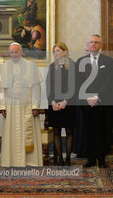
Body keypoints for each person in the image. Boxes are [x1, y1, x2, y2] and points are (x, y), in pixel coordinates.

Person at [0, 42, 43, 167]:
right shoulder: (4, 67)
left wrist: (35, 106)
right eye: (11, 52)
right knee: (11, 135)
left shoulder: (31, 66)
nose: (14, 55)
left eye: (16, 52)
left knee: (28, 134)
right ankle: (11, 161)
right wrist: (2, 106)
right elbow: (1, 89)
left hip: (27, 105)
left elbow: (36, 88)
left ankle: (30, 162)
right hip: (10, 106)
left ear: (22, 52)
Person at [76, 34, 113, 168]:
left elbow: (108, 82)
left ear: (100, 45)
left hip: (102, 103)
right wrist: (87, 97)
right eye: (91, 42)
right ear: (88, 45)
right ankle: (91, 159)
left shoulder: (108, 61)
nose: (93, 44)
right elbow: (78, 82)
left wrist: (97, 97)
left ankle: (102, 159)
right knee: (89, 132)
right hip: (86, 103)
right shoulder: (81, 61)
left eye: (96, 42)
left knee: (102, 131)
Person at [46, 42, 76, 166]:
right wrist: (53, 102)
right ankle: (61, 160)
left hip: (69, 103)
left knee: (69, 131)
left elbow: (74, 85)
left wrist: (65, 101)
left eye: (58, 50)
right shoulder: (52, 66)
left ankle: (68, 158)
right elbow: (49, 86)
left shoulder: (72, 65)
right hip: (54, 104)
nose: (56, 53)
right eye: (54, 51)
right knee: (57, 131)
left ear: (65, 51)